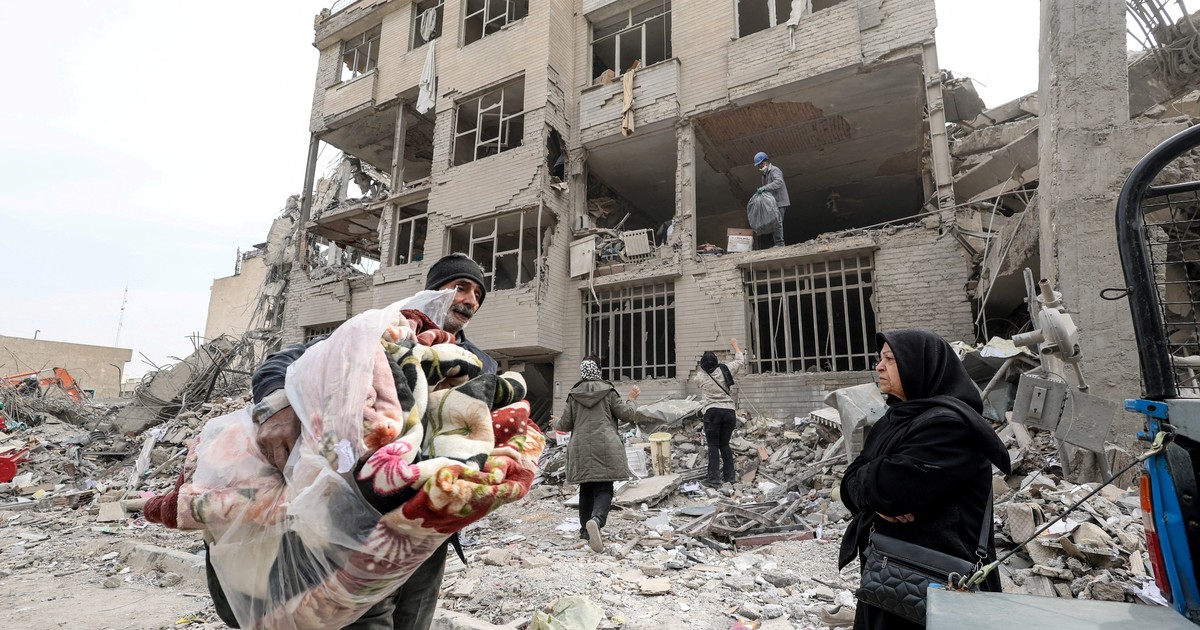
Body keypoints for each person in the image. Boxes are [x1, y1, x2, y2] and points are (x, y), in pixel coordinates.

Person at [228, 252, 495, 630]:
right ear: (436, 290)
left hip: (429, 523)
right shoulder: (383, 328)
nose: (470, 300)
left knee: (413, 619)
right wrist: (276, 407)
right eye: (461, 287)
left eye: (478, 295)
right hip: (361, 515)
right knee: (361, 617)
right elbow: (287, 361)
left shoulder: (479, 363)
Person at [837, 329, 1011, 630]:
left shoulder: (950, 426)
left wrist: (873, 488)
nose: (879, 367)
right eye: (881, 359)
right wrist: (873, 495)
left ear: (919, 365)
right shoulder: (894, 420)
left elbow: (889, 490)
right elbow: (850, 483)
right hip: (889, 577)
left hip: (940, 581)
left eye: (890, 359)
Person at [554, 354, 640, 553]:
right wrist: (632, 399)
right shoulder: (608, 392)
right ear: (599, 370)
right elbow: (627, 414)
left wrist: (555, 422)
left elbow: (565, 424)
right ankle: (597, 520)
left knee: (586, 488)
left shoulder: (573, 395)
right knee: (604, 486)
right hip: (606, 446)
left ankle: (585, 531)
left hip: (581, 447)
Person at [691, 338, 747, 487]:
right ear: (716, 361)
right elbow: (740, 361)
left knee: (713, 446)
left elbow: (697, 379)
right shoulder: (726, 369)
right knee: (725, 445)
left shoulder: (700, 377)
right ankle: (730, 477)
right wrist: (735, 345)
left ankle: (714, 479)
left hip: (712, 412)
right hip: (729, 412)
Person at [753, 151, 790, 248]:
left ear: (765, 162)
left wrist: (764, 188)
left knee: (777, 222)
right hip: (773, 203)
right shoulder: (764, 174)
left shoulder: (774, 170)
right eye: (758, 165)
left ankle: (780, 243)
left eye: (760, 165)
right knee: (773, 223)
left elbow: (779, 182)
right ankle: (777, 243)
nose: (759, 167)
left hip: (780, 201)